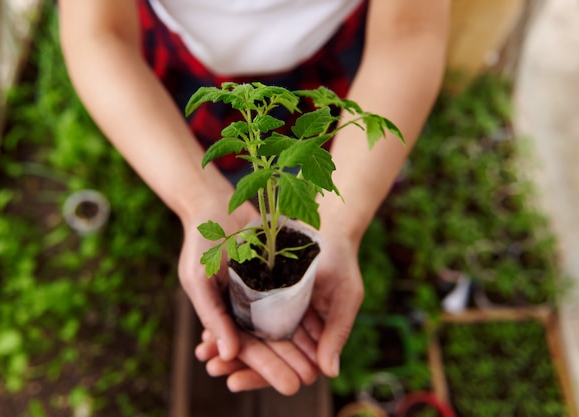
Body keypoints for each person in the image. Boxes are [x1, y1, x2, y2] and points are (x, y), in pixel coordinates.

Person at [58, 0, 450, 396]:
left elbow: (411, 30)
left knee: (307, 166)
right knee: (241, 174)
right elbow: (98, 33)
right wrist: (197, 197)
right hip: (185, 65)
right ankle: (232, 184)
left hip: (339, 60)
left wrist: (340, 219)